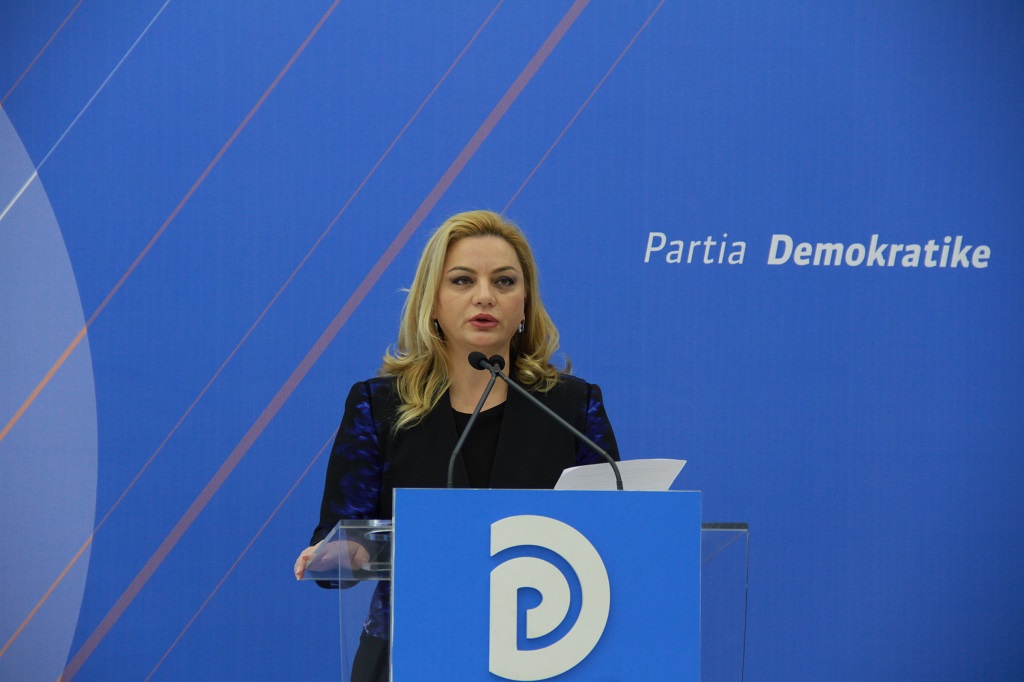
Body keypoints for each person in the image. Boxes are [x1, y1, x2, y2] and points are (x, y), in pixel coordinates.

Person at [293, 210, 618, 682]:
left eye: (504, 281)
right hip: (410, 649)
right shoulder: (378, 406)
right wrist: (338, 553)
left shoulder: (572, 407)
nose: (485, 296)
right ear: (432, 301)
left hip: (548, 649)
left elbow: (615, 534)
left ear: (524, 304)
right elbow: (346, 537)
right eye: (463, 280)